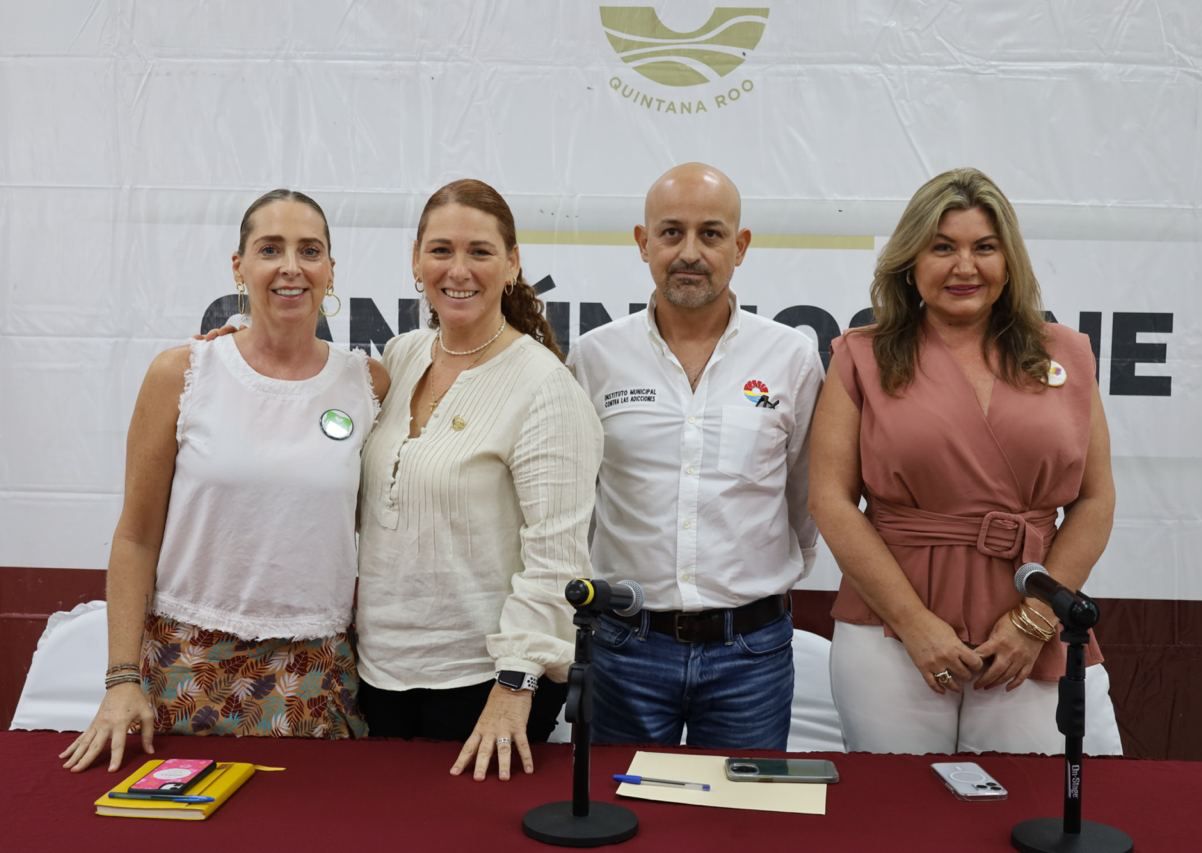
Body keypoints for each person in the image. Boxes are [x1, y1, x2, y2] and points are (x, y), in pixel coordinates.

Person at [61, 189, 390, 772]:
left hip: (316, 676)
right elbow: (135, 536)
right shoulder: (182, 373)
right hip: (185, 669)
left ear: (331, 270)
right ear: (238, 267)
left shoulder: (368, 382)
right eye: (270, 249)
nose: (291, 267)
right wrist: (121, 678)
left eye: (309, 250)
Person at [809, 167, 1124, 755]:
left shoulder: (1068, 353)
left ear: (1009, 260)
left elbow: (1096, 498)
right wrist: (913, 623)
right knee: (899, 802)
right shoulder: (861, 356)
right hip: (889, 632)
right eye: (942, 247)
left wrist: (1035, 621)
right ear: (910, 260)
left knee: (1027, 798)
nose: (964, 267)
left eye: (984, 247)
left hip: (1029, 624)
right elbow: (830, 499)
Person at [568, 163, 823, 750]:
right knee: (618, 799)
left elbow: (805, 495)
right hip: (624, 647)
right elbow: (576, 499)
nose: (689, 252)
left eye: (710, 234)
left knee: (742, 807)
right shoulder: (594, 357)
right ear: (643, 242)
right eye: (671, 232)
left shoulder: (791, 357)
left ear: (741, 245)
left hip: (751, 652)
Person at [355, 179, 603, 781]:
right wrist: (237, 344)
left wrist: (514, 687)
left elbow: (557, 561)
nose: (458, 269)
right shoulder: (401, 355)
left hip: (483, 688)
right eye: (441, 250)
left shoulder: (545, 387)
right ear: (416, 260)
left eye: (480, 251)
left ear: (513, 263)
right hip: (377, 675)